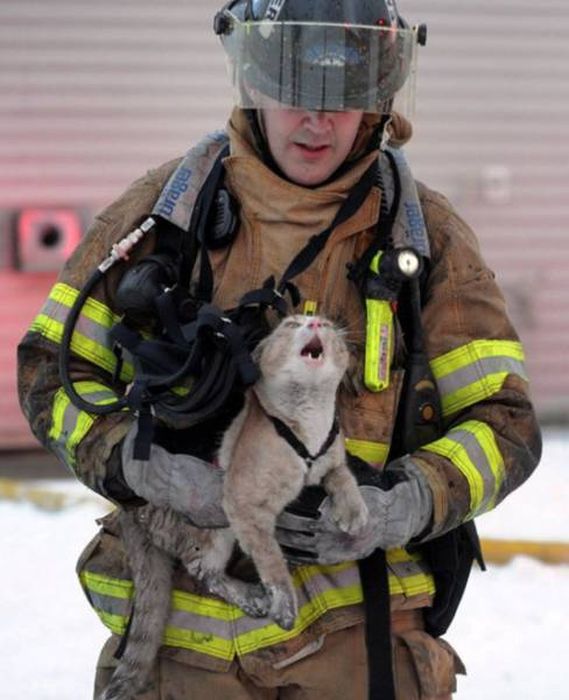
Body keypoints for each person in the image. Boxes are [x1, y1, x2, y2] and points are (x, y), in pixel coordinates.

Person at [17, 1, 542, 698]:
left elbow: (504, 425)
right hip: (176, 641)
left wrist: (405, 502)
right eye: (293, 89)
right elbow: (50, 374)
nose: (315, 120)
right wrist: (137, 464)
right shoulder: (163, 217)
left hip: (358, 642)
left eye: (342, 95)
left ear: (378, 99)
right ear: (254, 83)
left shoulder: (425, 239)